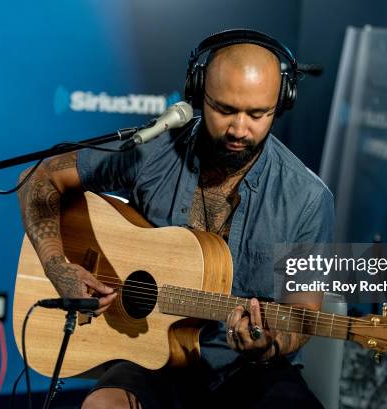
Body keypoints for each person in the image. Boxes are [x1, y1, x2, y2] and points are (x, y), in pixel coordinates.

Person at [17, 29, 334, 409]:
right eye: (225, 109)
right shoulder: (155, 150)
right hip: (148, 354)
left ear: (280, 104)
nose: (239, 129)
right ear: (198, 91)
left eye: (257, 114)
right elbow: (40, 177)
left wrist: (270, 344)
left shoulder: (307, 198)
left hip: (249, 368)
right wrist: (57, 266)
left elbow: (302, 310)